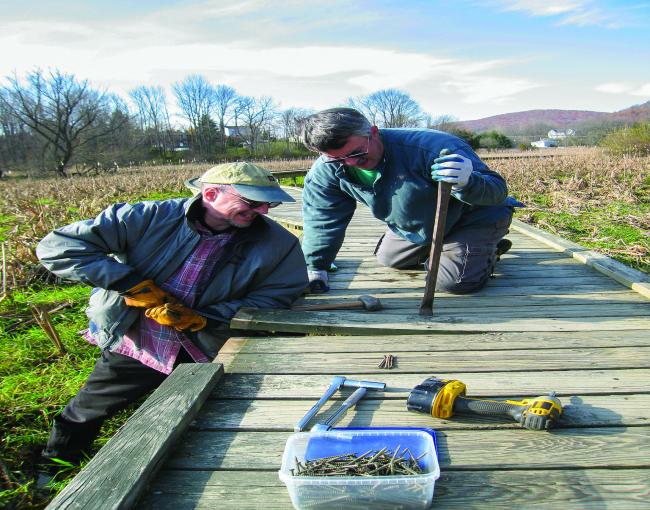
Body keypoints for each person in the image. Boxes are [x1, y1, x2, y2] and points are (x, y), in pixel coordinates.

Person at [36, 162, 308, 463]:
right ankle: (54, 463)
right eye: (252, 202)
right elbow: (59, 246)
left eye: (268, 203)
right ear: (211, 193)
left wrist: (208, 319)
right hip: (140, 339)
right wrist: (129, 284)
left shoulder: (280, 244)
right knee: (89, 407)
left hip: (211, 343)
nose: (264, 211)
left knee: (211, 417)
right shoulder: (146, 218)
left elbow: (279, 295)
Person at [300, 107, 523, 294]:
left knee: (453, 282)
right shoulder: (326, 170)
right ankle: (462, 253)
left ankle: (484, 251)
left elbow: (497, 191)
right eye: (337, 159)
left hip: (473, 217)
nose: (351, 163)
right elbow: (321, 218)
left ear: (374, 132)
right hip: (421, 223)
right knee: (389, 259)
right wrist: (315, 267)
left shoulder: (434, 148)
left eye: (358, 153)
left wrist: (467, 182)